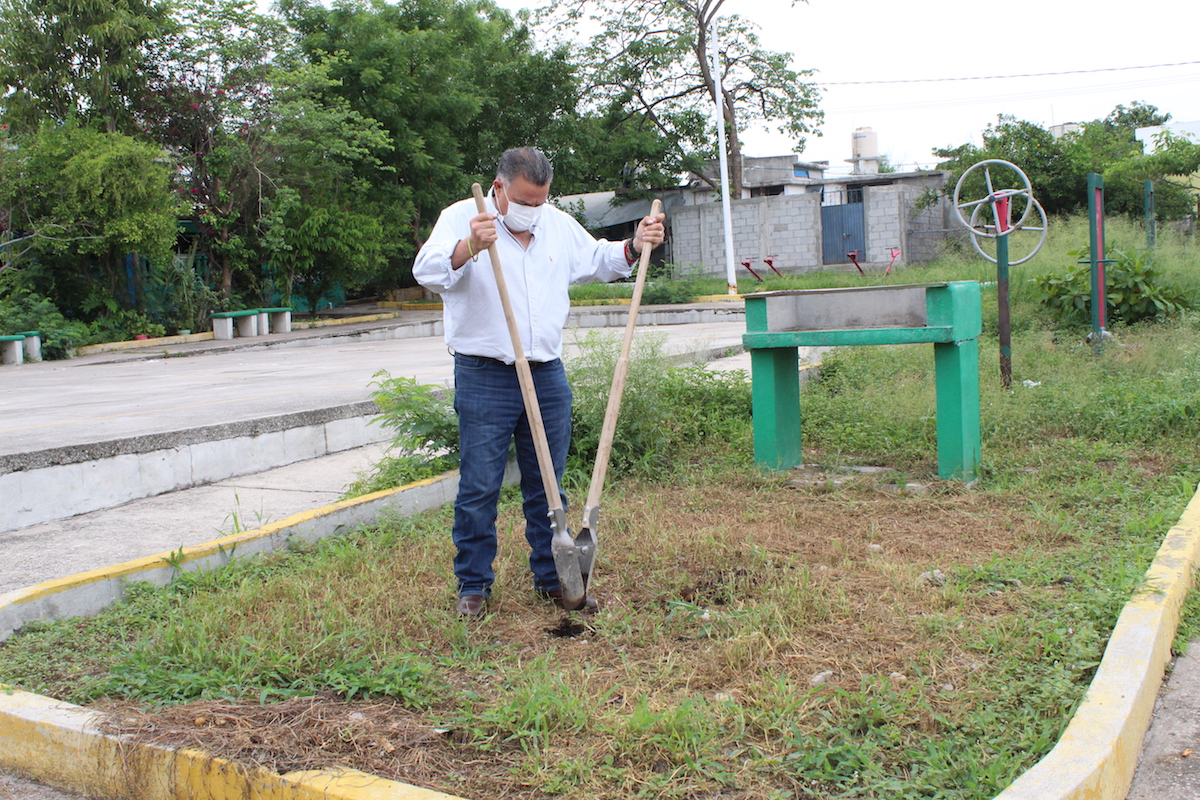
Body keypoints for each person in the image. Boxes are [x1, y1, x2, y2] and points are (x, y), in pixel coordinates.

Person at [413, 147, 666, 616]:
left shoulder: (555, 224)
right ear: (499, 189)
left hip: (546, 373)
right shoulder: (461, 218)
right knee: (480, 485)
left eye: (541, 201)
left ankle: (554, 578)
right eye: (525, 200)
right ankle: (473, 586)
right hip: (485, 373)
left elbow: (599, 259)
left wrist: (635, 244)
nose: (533, 210)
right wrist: (470, 245)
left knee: (548, 485)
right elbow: (426, 271)